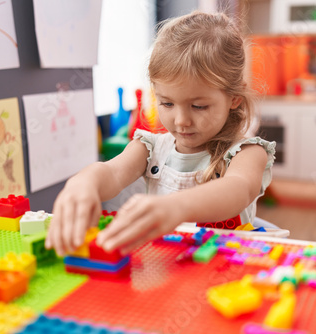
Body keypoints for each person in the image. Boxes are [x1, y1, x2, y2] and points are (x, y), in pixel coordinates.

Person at [45, 11, 276, 257]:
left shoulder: (248, 152)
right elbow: (111, 173)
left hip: (224, 271)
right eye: (166, 103)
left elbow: (238, 189)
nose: (181, 120)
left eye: (198, 106)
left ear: (234, 99)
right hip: (165, 265)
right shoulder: (150, 147)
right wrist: (83, 183)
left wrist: (176, 207)